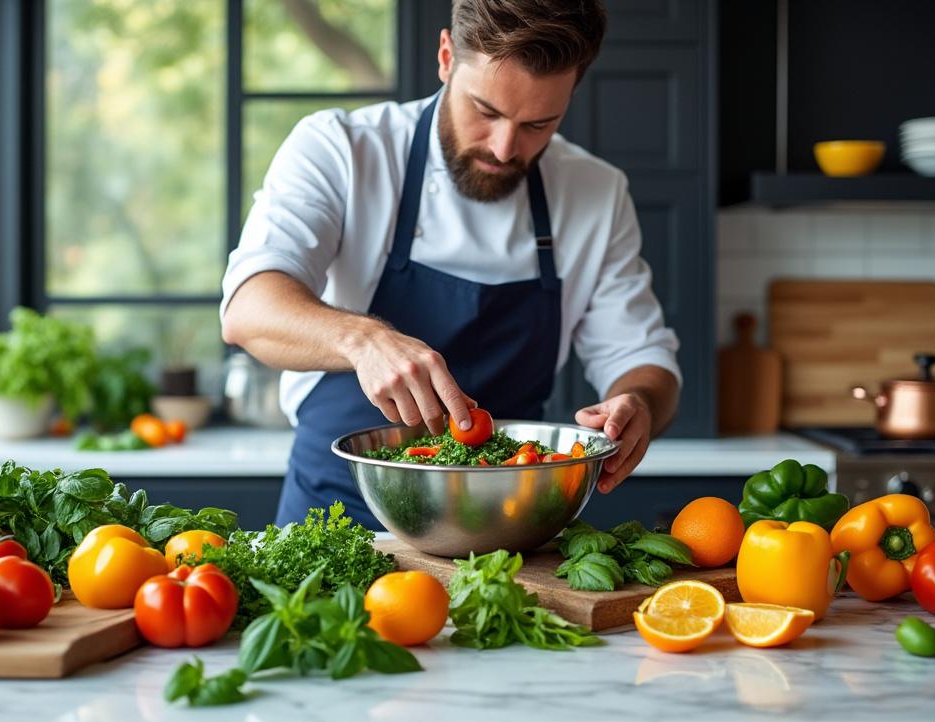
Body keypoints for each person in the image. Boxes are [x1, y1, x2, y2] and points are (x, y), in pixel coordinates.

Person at [220, 0, 681, 528]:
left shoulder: (595, 193)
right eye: (486, 111)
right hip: (337, 516)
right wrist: (364, 341)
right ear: (445, 57)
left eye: (538, 124)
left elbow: (642, 357)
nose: (504, 148)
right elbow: (249, 308)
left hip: (507, 526)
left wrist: (637, 402)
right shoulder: (344, 149)